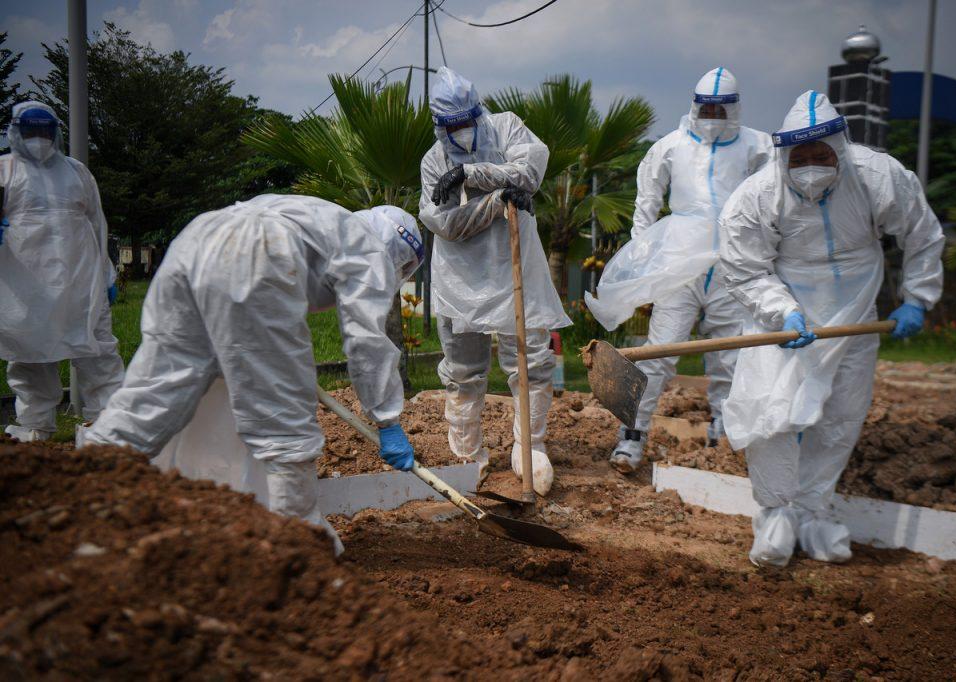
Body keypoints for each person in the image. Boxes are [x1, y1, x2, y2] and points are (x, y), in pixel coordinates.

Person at [85, 196, 425, 554]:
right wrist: (387, 420)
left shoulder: (326, 220)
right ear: (398, 255)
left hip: (197, 237)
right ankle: (298, 546)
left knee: (156, 391)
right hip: (258, 253)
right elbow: (367, 341)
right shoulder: (370, 248)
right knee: (285, 424)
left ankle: (81, 489)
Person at [718, 91, 945, 568]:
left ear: (839, 148)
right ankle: (775, 515)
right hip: (783, 313)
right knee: (772, 415)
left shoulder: (880, 177)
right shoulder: (756, 197)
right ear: (784, 155)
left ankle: (813, 511)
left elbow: (922, 234)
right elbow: (744, 270)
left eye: (821, 153)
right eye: (799, 156)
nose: (811, 164)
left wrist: (916, 299)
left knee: (840, 416)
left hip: (856, 312)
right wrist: (782, 311)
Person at [606, 68, 773, 472]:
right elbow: (646, 204)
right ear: (695, 105)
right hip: (680, 263)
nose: (713, 114)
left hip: (732, 263)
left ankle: (724, 431)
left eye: (721, 107)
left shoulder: (757, 145)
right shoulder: (671, 146)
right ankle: (632, 435)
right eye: (707, 107)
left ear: (734, 109)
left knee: (729, 356)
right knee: (659, 353)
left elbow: (776, 195)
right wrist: (645, 257)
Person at [419, 66, 570, 496]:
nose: (462, 132)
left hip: (514, 262)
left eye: (467, 121)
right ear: (439, 126)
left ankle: (530, 446)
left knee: (530, 358)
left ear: (477, 112)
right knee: (464, 368)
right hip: (461, 277)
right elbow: (444, 224)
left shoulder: (507, 128)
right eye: (452, 126)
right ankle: (469, 456)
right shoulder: (433, 162)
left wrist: (475, 176)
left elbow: (530, 171)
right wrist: (497, 200)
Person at [0, 101, 124, 441]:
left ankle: (108, 427)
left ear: (55, 132)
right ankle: (35, 428)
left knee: (98, 350)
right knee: (30, 355)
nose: (39, 139)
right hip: (25, 284)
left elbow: (96, 223)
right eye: (31, 132)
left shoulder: (76, 172)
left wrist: (107, 274)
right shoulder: (4, 170)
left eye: (45, 131)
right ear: (15, 132)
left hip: (81, 280)